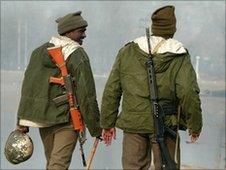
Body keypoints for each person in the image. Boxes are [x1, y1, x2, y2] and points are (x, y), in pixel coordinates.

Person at [100, 5, 202, 170]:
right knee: (166, 166)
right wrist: (195, 125)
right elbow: (188, 92)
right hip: (166, 122)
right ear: (173, 28)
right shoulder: (179, 55)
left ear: (154, 26)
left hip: (133, 123)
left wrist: (107, 123)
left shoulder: (128, 51)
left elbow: (112, 90)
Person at [16, 11, 101, 169]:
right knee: (58, 164)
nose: (85, 35)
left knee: (53, 163)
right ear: (69, 32)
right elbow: (87, 95)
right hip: (67, 119)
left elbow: (28, 88)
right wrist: (96, 127)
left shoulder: (38, 52)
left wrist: (21, 120)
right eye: (81, 31)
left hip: (43, 119)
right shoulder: (77, 54)